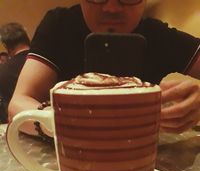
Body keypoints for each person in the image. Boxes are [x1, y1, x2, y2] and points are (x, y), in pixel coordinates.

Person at [8, 0, 200, 136]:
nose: (111, 7)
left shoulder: (160, 36)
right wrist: (66, 126)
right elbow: (18, 105)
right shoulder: (59, 26)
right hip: (65, 166)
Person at [0, 22, 30, 123]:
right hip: (52, 123)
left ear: (5, 45)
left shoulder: (3, 71)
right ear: (26, 38)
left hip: (17, 127)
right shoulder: (47, 62)